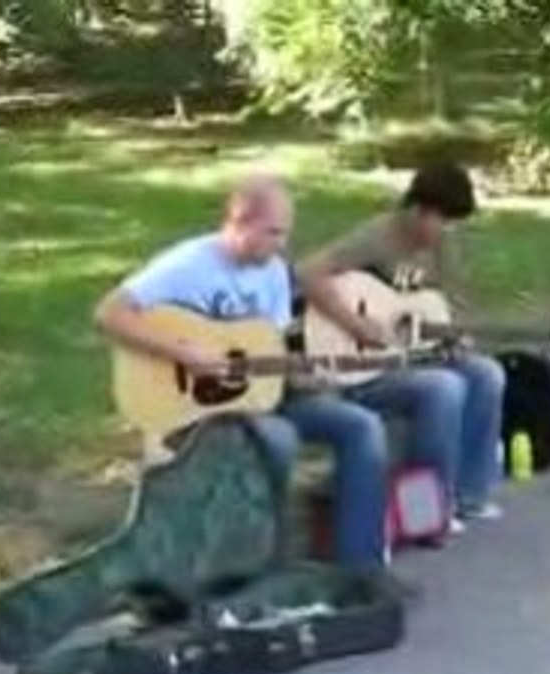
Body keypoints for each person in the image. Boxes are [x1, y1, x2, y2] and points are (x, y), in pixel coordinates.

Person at [95, 175, 389, 570]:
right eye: (273, 233)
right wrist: (184, 351)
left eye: (285, 234)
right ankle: (262, 567)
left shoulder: (273, 273)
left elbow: (272, 352)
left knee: (361, 426)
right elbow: (109, 314)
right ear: (240, 220)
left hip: (259, 397)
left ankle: (360, 567)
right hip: (197, 408)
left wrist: (308, 375)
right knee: (278, 440)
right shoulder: (188, 264)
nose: (282, 244)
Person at [297, 162, 507, 524]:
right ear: (417, 210)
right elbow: (306, 272)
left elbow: (446, 309)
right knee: (443, 388)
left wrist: (454, 337)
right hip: (360, 366)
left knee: (487, 373)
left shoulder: (443, 246)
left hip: (411, 354)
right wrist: (356, 324)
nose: (446, 231)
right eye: (441, 220)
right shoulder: (378, 237)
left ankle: (468, 497)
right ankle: (423, 514)